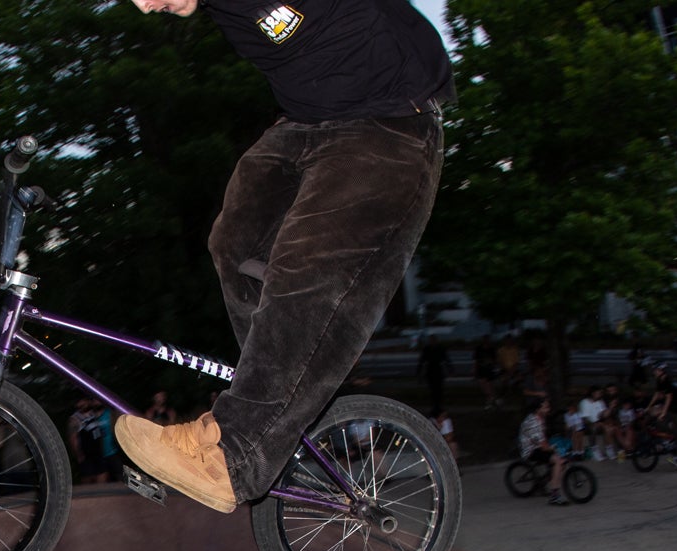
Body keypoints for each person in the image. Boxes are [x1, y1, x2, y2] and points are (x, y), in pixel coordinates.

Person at [114, 0, 450, 513]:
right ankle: (276, 407)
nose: (146, 6)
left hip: (389, 125)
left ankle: (235, 455)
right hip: (302, 127)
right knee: (234, 245)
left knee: (304, 268)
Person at [519, 398, 569, 506]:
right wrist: (554, 448)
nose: (548, 409)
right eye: (546, 407)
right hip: (531, 450)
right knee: (557, 460)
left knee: (561, 463)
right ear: (538, 409)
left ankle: (545, 483)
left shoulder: (541, 417)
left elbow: (543, 437)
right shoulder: (532, 423)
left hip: (539, 446)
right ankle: (554, 496)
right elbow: (543, 446)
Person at [417, 335, 449, 416]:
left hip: (436, 370)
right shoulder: (428, 349)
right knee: (434, 390)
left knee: (438, 390)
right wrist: (419, 372)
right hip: (432, 371)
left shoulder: (439, 348)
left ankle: (438, 406)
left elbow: (446, 359)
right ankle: (436, 407)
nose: (433, 342)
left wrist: (450, 368)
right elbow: (421, 361)